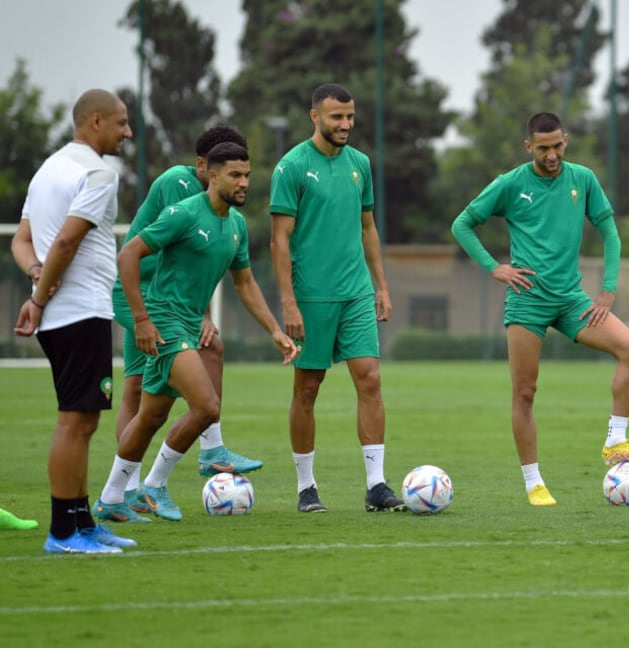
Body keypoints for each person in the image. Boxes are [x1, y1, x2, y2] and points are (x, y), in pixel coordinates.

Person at [451, 111, 629, 507]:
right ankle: (534, 483)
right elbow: (462, 223)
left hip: (571, 299)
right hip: (527, 300)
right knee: (525, 392)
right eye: (543, 148)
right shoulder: (511, 184)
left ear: (566, 140)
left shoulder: (583, 178)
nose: (552, 154)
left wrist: (609, 289)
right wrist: (495, 268)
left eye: (558, 145)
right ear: (529, 146)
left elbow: (610, 232)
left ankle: (615, 442)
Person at [95, 142, 297, 521]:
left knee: (151, 417)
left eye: (248, 175)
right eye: (235, 175)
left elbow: (246, 284)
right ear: (213, 175)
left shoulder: (235, 224)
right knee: (206, 407)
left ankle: (110, 498)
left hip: (187, 321)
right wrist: (141, 319)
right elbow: (128, 255)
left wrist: (274, 330)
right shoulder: (183, 214)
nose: (244, 183)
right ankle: (154, 486)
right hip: (165, 320)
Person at [11, 89, 136, 554]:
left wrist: (36, 278)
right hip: (78, 310)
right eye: (121, 123)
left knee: (84, 420)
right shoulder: (98, 172)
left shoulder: (50, 168)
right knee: (74, 421)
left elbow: (23, 242)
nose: (127, 133)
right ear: (96, 121)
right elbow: (64, 243)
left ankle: (82, 523)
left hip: (67, 311)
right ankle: (63, 532)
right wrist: (40, 299)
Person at [270, 83, 404, 513]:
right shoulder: (291, 167)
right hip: (312, 298)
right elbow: (279, 240)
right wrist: (288, 302)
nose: (345, 124)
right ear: (315, 116)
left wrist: (380, 285)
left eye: (350, 116)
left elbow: (368, 227)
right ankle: (306, 487)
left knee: (370, 379)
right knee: (308, 388)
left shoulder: (360, 164)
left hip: (356, 292)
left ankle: (376, 485)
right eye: (336, 117)